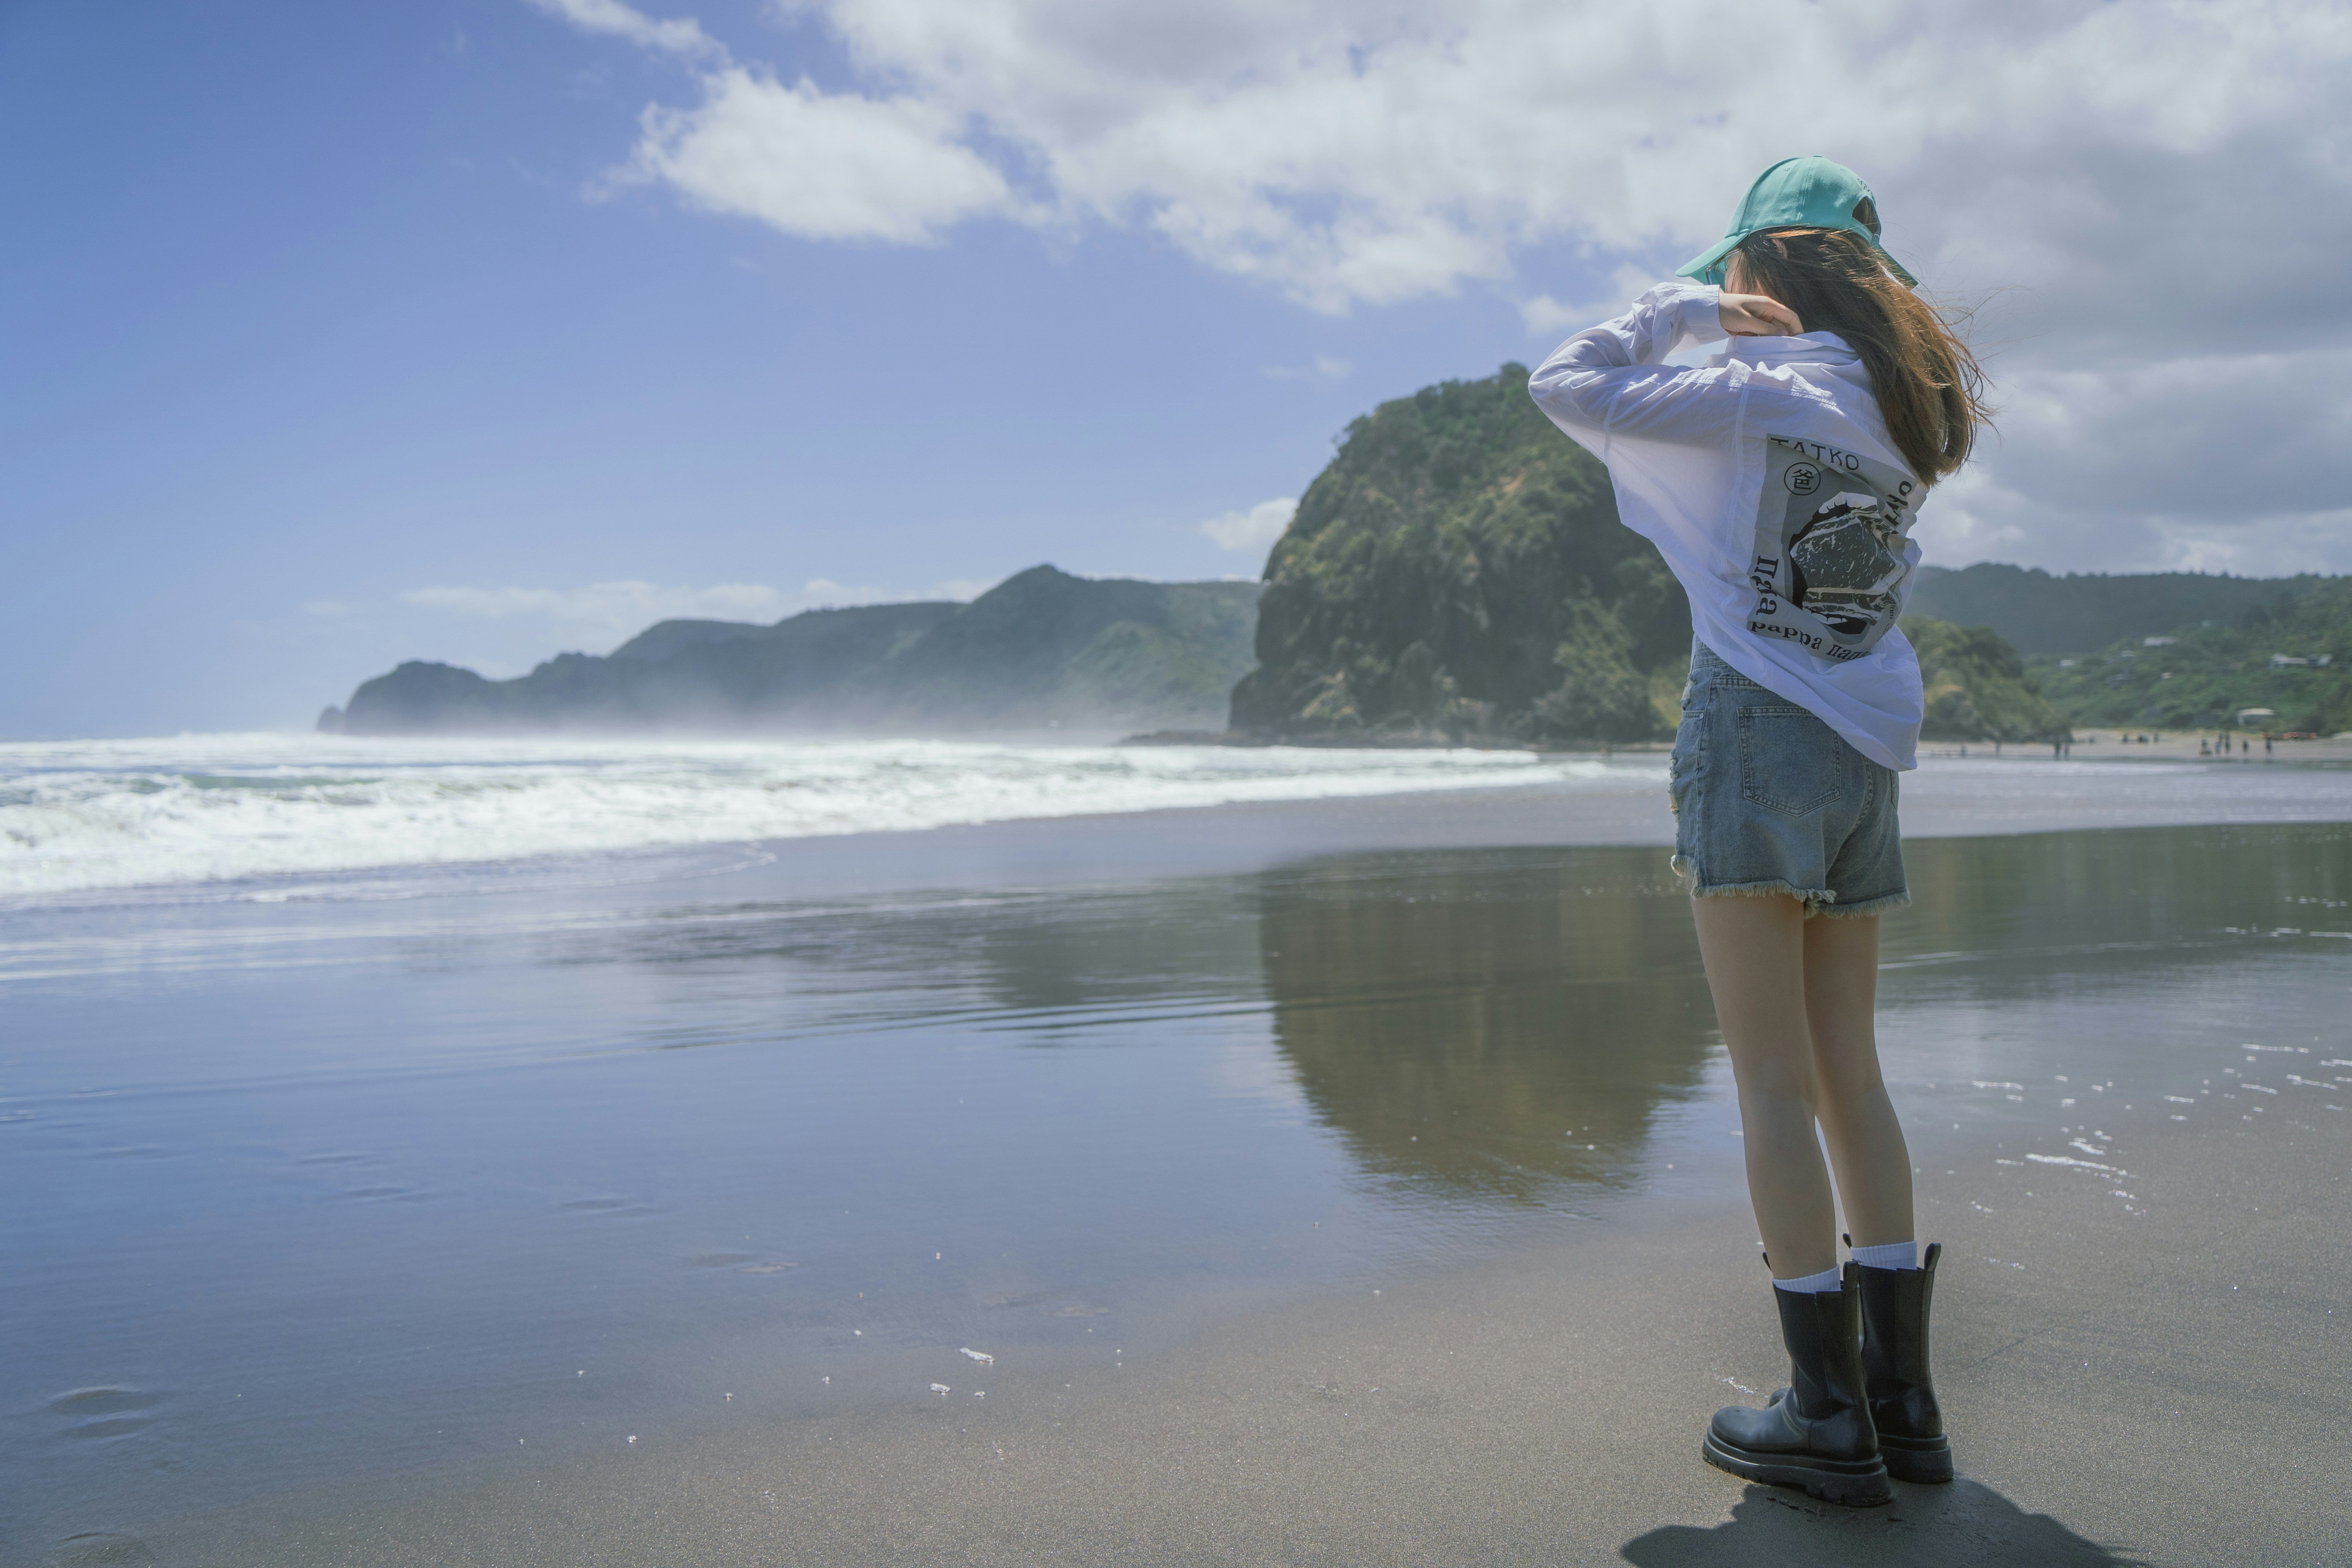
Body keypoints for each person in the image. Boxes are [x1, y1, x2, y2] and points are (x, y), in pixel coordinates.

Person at [1528, 156, 1991, 1507]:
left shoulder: (1755, 386)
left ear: (1761, 273)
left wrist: (1682, 309)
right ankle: (1907, 1404)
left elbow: (1563, 384)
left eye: (1733, 269)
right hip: (1863, 751)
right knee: (1852, 1072)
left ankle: (1823, 1410)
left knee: (1770, 1083)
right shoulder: (1909, 415)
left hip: (1754, 733)